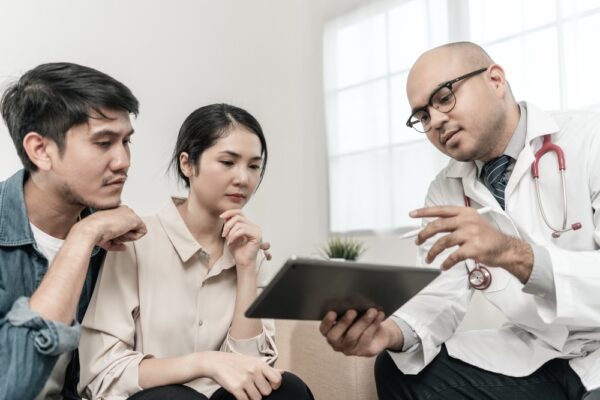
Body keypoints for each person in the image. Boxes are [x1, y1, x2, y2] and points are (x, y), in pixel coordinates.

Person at [319, 42, 600, 400]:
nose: (434, 121)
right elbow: (439, 296)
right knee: (399, 369)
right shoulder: (445, 190)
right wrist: (386, 333)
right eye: (422, 116)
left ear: (496, 80)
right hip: (540, 356)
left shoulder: (591, 140)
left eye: (444, 97)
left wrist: (515, 255)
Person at [78, 103, 314, 400]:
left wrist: (245, 268)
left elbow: (252, 371)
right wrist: (202, 364)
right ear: (187, 164)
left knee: (286, 388)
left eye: (254, 166)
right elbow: (103, 372)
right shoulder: (133, 242)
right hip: (153, 398)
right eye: (228, 162)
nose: (243, 178)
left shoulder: (251, 252)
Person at [0, 63, 147, 399]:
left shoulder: (117, 235)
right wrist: (83, 236)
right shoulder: (96, 230)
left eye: (126, 142)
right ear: (40, 150)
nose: (122, 160)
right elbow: (11, 386)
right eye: (103, 142)